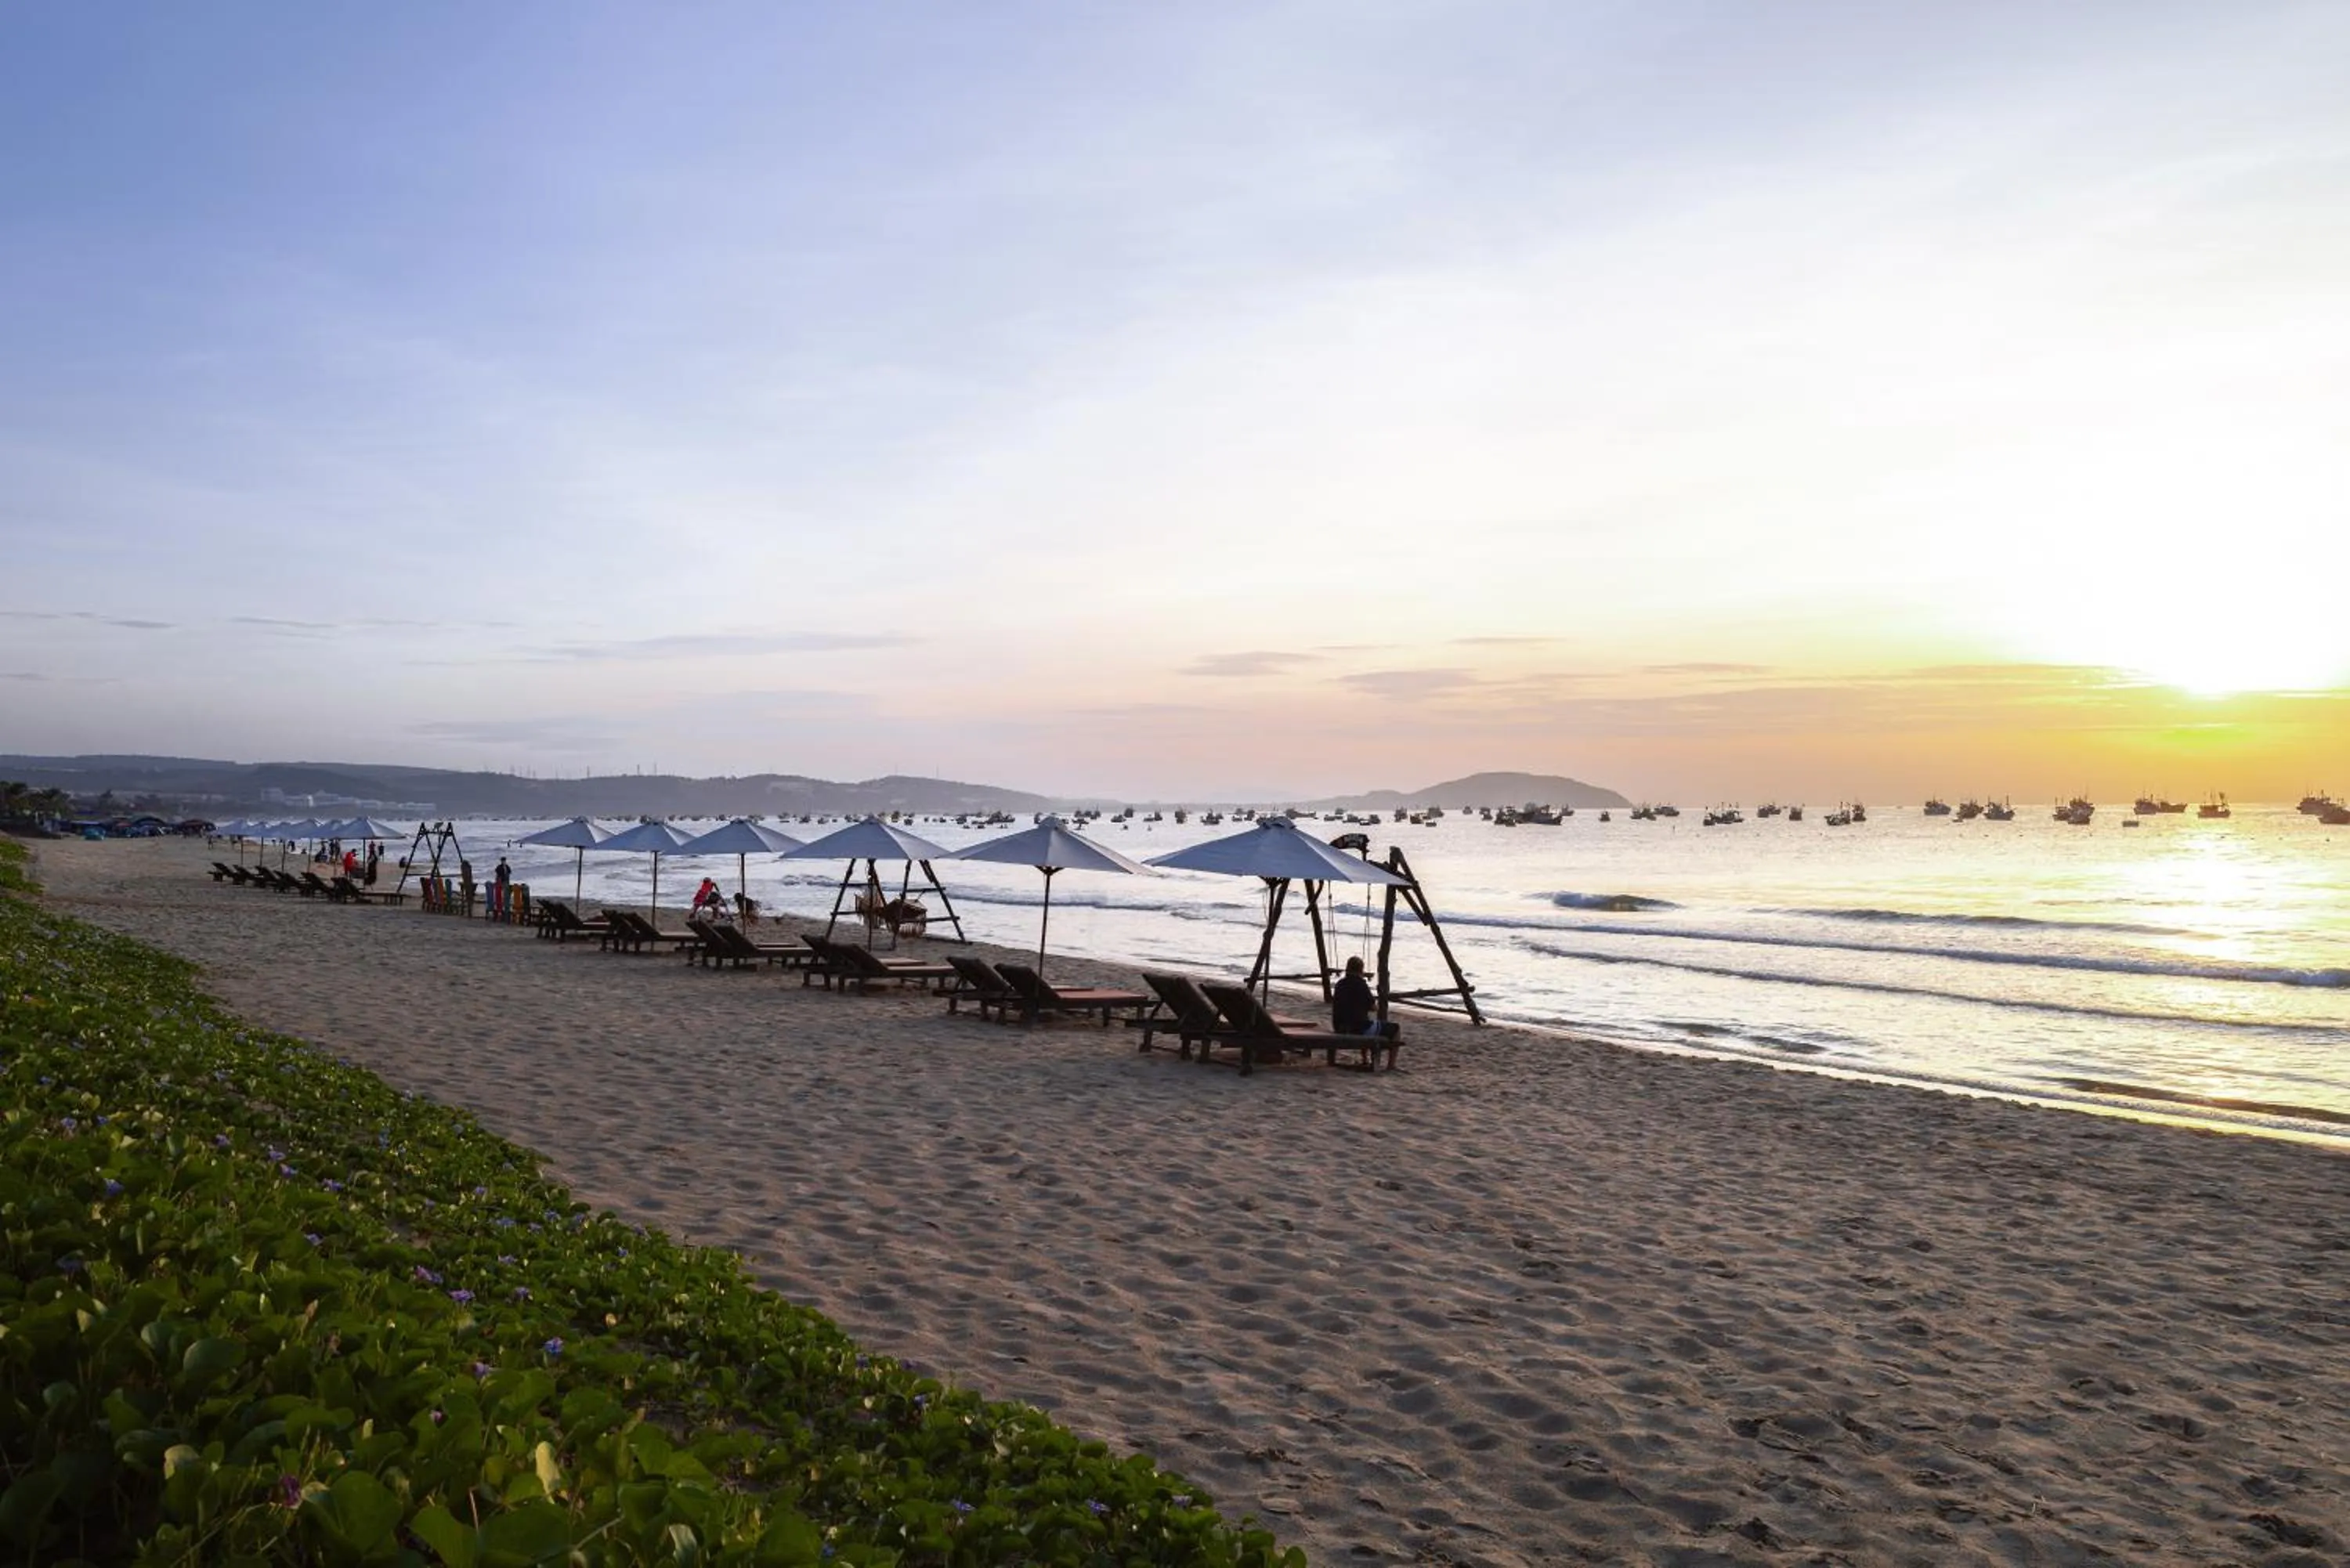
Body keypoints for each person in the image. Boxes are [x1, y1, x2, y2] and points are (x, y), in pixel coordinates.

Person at [1332, 956, 1401, 1049]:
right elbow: (1374, 1008)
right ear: (1361, 970)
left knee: (1364, 1020)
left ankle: (1365, 1058)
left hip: (1339, 1027)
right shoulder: (1361, 985)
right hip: (1358, 1029)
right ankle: (1391, 1064)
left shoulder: (1339, 984)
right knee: (1396, 1029)